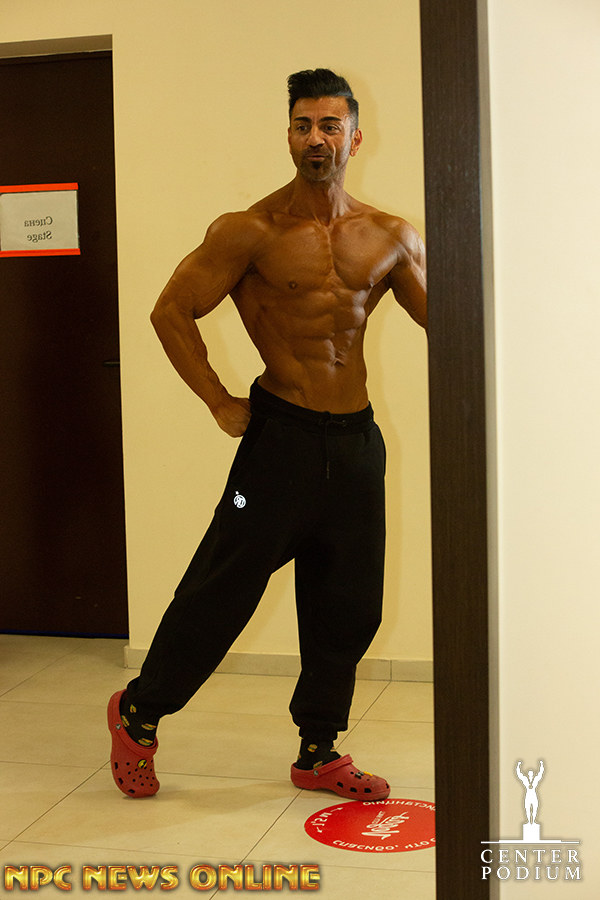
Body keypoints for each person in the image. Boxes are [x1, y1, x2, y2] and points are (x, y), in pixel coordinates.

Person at [107, 68, 427, 801]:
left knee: (349, 603)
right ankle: (138, 714)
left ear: (354, 137)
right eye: (303, 125)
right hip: (280, 439)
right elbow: (170, 310)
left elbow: (452, 325)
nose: (317, 138)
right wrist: (218, 401)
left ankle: (319, 750)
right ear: (288, 135)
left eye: (330, 125)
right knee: (222, 591)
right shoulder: (249, 231)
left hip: (356, 443)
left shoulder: (390, 235)